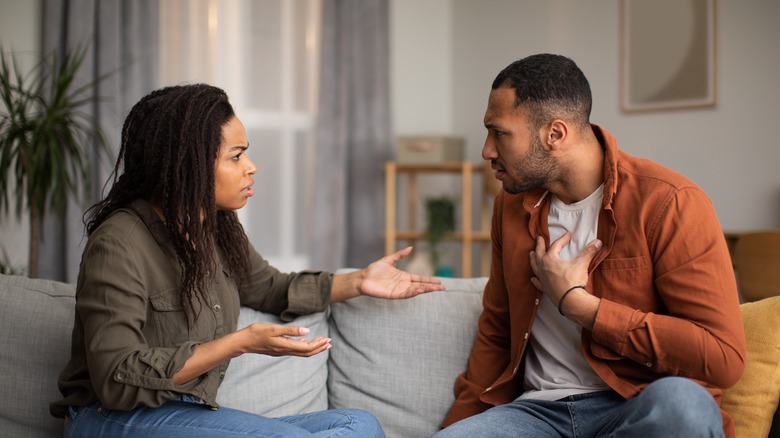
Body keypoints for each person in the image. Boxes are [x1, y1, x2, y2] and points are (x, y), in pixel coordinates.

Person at [49, 83, 444, 437]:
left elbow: (270, 287)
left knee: (359, 424)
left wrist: (358, 282)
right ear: (188, 163)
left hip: (186, 413)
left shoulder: (215, 228)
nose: (251, 167)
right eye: (236, 157)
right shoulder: (119, 242)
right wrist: (237, 343)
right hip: (109, 419)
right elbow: (117, 378)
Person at [433, 54, 746, 438]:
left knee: (682, 407)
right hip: (538, 415)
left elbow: (723, 358)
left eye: (499, 133)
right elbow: (498, 327)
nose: (487, 150)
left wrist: (582, 307)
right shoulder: (511, 206)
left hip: (635, 404)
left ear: (556, 134)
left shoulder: (670, 202)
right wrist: (454, 428)